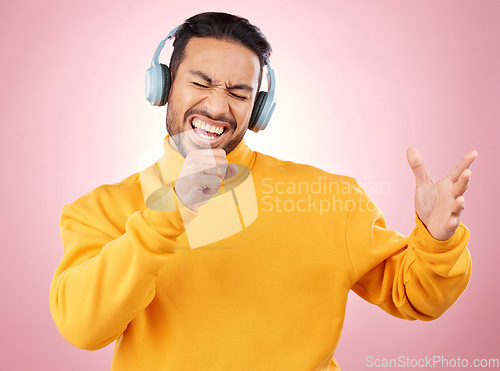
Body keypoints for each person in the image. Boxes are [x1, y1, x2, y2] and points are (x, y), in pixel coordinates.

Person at [49, 12, 477, 371]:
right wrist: (168, 213)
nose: (218, 108)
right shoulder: (100, 211)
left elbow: (417, 296)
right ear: (164, 85)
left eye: (239, 92)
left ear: (259, 109)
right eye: (200, 83)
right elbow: (83, 328)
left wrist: (437, 240)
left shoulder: (326, 198)